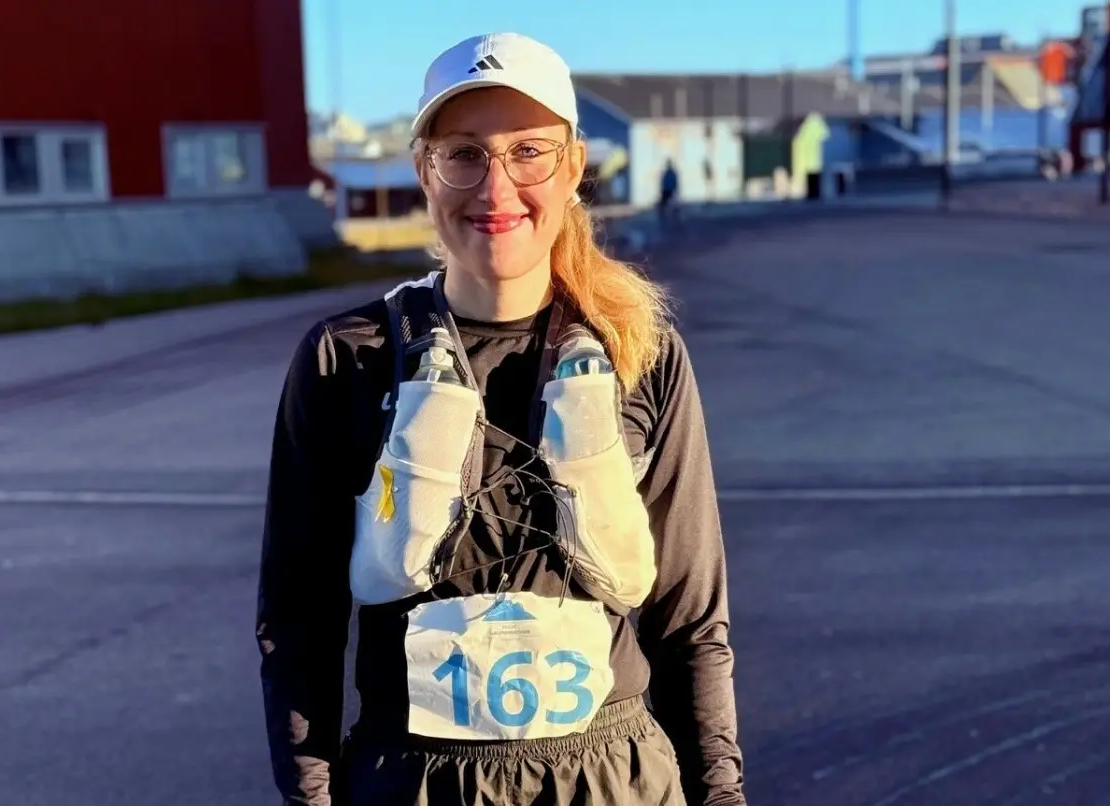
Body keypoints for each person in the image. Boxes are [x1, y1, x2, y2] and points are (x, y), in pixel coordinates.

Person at [257, 31, 746, 806]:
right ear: (424, 169)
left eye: (529, 151)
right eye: (464, 153)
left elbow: (690, 626)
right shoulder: (344, 361)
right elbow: (299, 628)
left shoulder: (639, 355)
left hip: (612, 784)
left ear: (574, 166)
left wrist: (720, 796)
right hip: (412, 782)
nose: (495, 188)